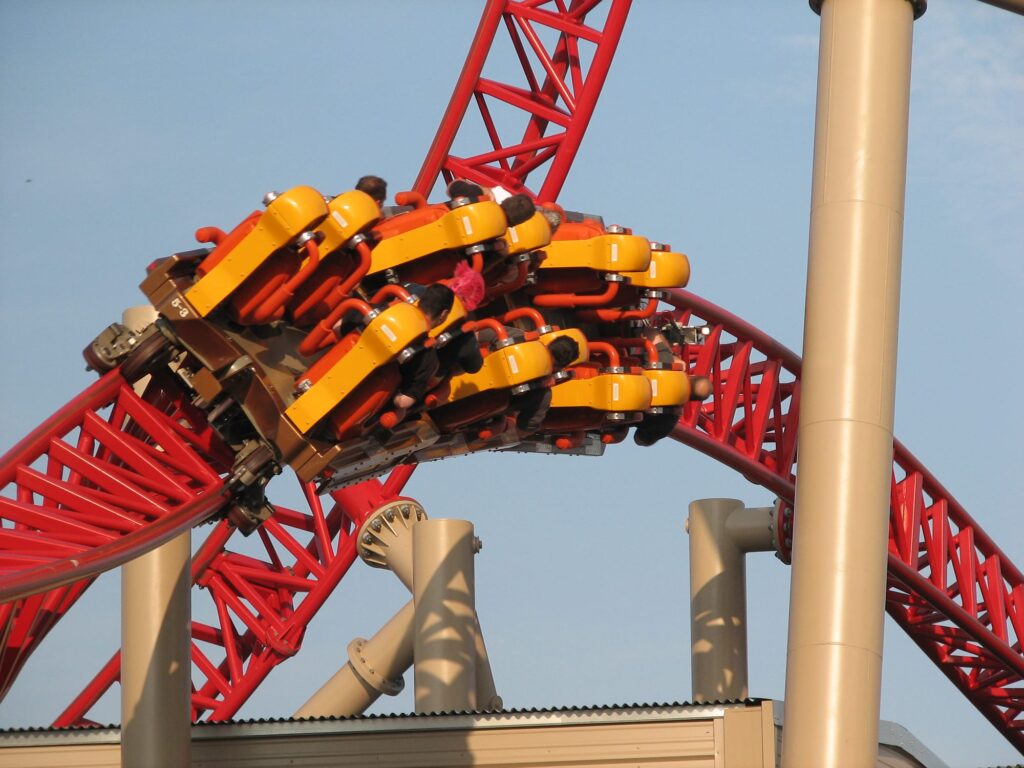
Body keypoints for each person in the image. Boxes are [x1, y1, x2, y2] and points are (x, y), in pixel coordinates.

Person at [391, 284, 455, 422]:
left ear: (420, 301)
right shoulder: (429, 360)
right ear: (443, 315)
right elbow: (403, 402)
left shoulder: (385, 313)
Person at [510, 335, 580, 434]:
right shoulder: (543, 395)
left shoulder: (519, 337)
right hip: (495, 402)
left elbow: (485, 333)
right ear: (560, 368)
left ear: (549, 344)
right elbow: (522, 432)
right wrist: (539, 385)